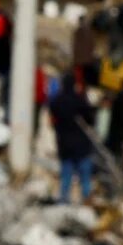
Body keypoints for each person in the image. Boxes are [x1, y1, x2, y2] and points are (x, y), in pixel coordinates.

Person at [48, 73, 96, 203]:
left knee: (66, 175)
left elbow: (52, 113)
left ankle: (64, 199)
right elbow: (91, 119)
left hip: (64, 143)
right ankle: (87, 199)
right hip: (81, 144)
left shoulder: (57, 101)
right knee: (85, 176)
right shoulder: (80, 100)